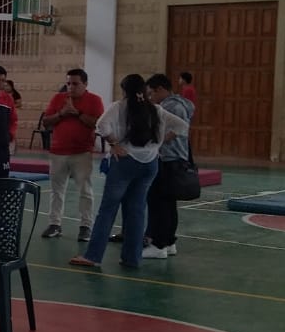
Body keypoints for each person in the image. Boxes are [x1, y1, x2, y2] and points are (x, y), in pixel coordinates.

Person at [71, 74, 189, 271]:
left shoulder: (119, 107)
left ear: (124, 90)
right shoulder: (156, 109)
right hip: (150, 164)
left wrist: (114, 144)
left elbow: (101, 125)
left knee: (108, 209)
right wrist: (158, 144)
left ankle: (93, 256)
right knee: (137, 210)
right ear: (144, 90)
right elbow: (181, 126)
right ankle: (132, 258)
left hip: (125, 162)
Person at [40, 68, 104, 242]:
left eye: (75, 84)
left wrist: (77, 113)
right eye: (68, 83)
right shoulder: (58, 98)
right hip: (58, 151)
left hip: (81, 152)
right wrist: (62, 113)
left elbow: (98, 124)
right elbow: (46, 122)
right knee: (57, 190)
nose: (71, 87)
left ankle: (86, 226)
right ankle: (54, 224)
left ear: (85, 84)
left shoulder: (94, 100)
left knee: (85, 190)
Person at [145, 73, 195, 258]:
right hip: (174, 159)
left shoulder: (171, 106)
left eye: (151, 93)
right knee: (168, 203)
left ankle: (159, 245)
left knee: (159, 203)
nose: (150, 98)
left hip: (169, 160)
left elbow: (178, 129)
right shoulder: (179, 104)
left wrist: (155, 142)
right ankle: (169, 242)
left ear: (160, 89)